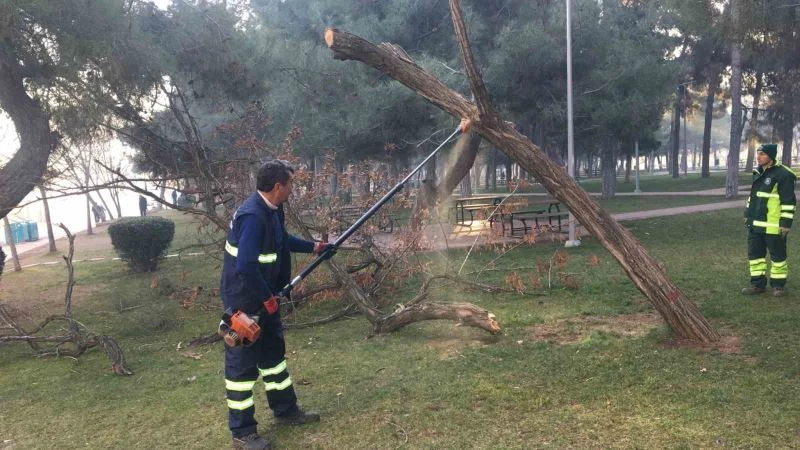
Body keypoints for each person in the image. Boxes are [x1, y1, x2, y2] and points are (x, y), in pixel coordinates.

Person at [219, 159, 333, 450]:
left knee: (274, 358)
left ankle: (286, 410)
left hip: (267, 296)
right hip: (245, 304)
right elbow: (245, 266)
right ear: (278, 186)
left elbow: (282, 241)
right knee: (242, 371)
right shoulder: (252, 217)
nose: (293, 189)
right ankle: (242, 434)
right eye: (291, 184)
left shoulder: (272, 210)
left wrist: (315, 247)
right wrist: (266, 298)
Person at [742, 143, 796, 297]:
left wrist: (785, 224)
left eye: (762, 154)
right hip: (755, 225)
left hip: (773, 225)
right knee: (755, 256)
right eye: (758, 153)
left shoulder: (784, 174)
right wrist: (748, 215)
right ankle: (758, 285)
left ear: (771, 157)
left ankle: (778, 286)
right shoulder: (758, 172)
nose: (758, 157)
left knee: (778, 257)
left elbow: (789, 202)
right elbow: (753, 198)